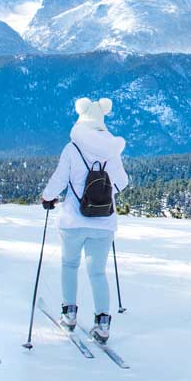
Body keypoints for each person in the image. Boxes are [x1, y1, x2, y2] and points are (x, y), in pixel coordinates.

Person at [42, 97, 129, 343]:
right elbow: (122, 183)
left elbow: (60, 179)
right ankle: (102, 323)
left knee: (69, 265)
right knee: (98, 273)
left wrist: (48, 198)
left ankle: (69, 314)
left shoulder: (72, 148)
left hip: (73, 220)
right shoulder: (112, 152)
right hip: (104, 222)